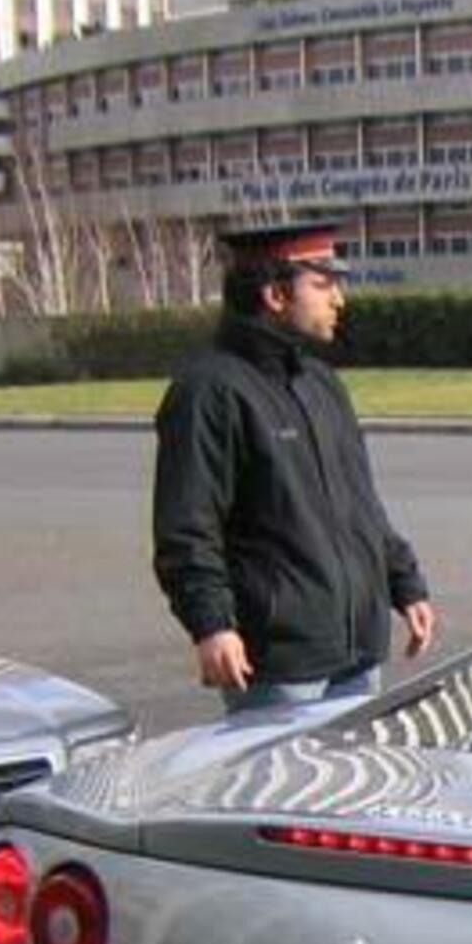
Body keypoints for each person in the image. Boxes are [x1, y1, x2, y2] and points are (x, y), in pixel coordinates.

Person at [152, 221, 437, 712]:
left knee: (354, 786)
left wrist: (405, 583)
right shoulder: (210, 392)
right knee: (283, 789)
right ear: (275, 294)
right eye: (324, 284)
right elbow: (187, 528)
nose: (339, 300)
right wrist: (212, 625)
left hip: (357, 652)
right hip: (280, 663)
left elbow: (360, 503)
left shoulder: (321, 384)